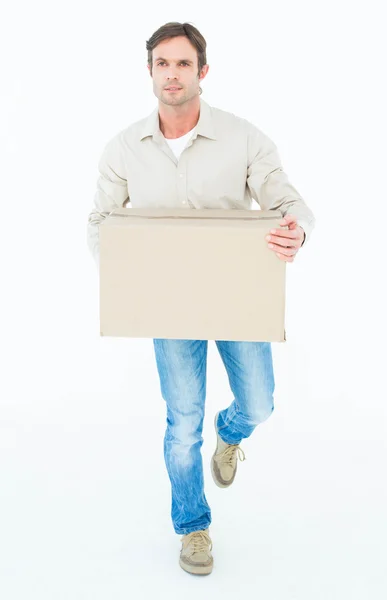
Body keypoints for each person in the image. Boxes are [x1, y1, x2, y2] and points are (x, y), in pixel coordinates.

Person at [87, 21, 315, 576]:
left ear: (202, 72)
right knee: (181, 421)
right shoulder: (123, 148)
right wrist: (128, 270)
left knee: (259, 402)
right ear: (149, 72)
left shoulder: (243, 137)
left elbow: (288, 201)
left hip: (238, 297)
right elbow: (100, 224)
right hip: (169, 304)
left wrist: (296, 230)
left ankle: (231, 433)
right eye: (162, 63)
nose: (172, 73)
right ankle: (192, 526)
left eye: (183, 63)